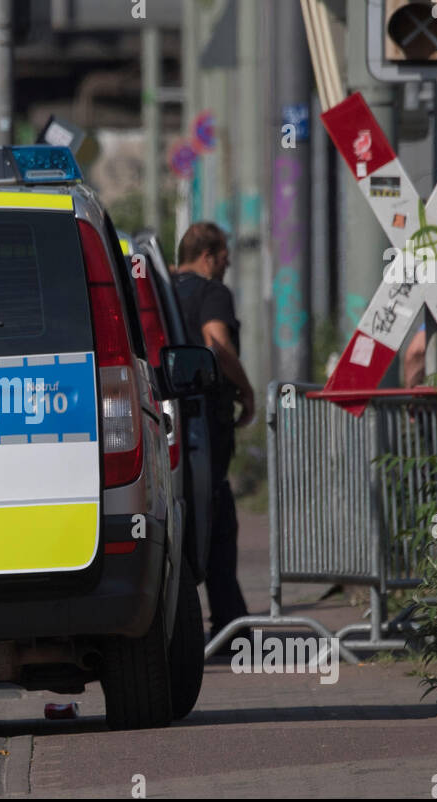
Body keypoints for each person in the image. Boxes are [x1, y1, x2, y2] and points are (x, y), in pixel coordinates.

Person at [173, 222, 252, 640]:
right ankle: (229, 623)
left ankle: (224, 619)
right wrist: (247, 389)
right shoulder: (212, 292)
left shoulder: (165, 289)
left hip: (168, 421)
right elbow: (217, 344)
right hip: (206, 422)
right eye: (224, 255)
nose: (229, 262)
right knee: (219, 511)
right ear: (207, 256)